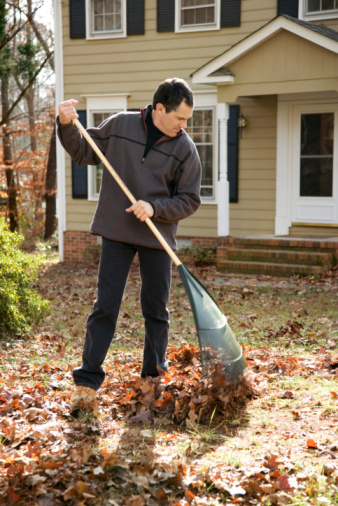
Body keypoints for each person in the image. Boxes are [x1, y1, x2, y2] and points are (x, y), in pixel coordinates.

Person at [57, 78, 202, 415]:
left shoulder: (185, 148)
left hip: (156, 236)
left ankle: (152, 378)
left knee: (156, 311)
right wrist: (65, 124)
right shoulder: (120, 125)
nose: (184, 126)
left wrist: (155, 208)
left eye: (187, 121)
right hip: (117, 232)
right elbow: (82, 150)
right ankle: (86, 383)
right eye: (180, 118)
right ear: (160, 108)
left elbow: (190, 199)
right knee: (105, 306)